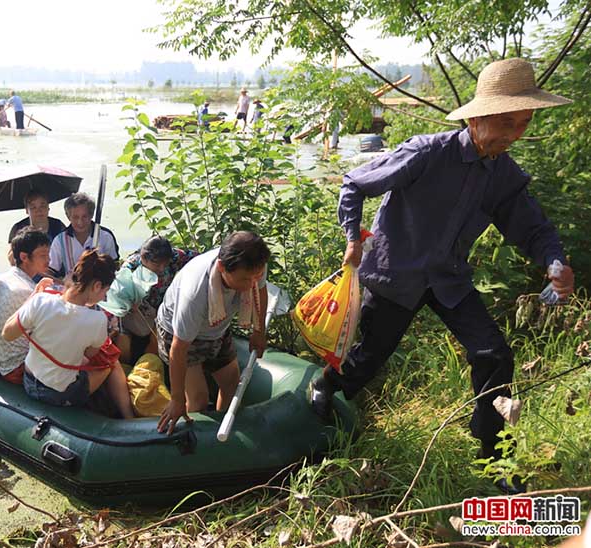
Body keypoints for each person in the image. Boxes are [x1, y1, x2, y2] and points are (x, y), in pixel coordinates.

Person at [310, 58, 575, 491]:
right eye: (507, 122)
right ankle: (328, 387)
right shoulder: (427, 152)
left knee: (494, 355)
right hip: (399, 271)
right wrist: (352, 238)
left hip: (449, 279)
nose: (515, 134)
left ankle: (494, 457)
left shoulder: (503, 174)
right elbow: (355, 183)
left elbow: (534, 228)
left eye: (523, 123)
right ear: (478, 118)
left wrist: (554, 264)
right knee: (372, 353)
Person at [156, 231, 270, 434]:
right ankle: (190, 444)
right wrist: (176, 399)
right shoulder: (196, 293)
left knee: (231, 386)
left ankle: (221, 442)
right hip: (178, 333)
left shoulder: (255, 264)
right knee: (198, 398)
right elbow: (178, 349)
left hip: (218, 326)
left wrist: (258, 329)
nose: (252, 283)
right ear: (222, 268)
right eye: (245, 279)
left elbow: (260, 291)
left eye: (257, 276)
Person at [2, 251, 134, 418]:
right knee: (111, 362)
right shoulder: (98, 320)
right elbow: (90, 355)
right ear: (97, 286)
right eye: (105, 291)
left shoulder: (40, 300)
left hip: (30, 383)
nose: (104, 297)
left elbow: (7, 334)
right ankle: (128, 416)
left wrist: (33, 298)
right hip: (61, 395)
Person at [112, 236, 197, 364]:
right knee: (124, 339)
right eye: (156, 264)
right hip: (138, 310)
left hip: (163, 306)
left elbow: (201, 260)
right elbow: (116, 291)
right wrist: (128, 302)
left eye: (165, 263)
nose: (162, 268)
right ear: (144, 259)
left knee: (157, 339)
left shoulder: (175, 256)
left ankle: (150, 365)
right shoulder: (130, 267)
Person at [0, 228, 52, 384]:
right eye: (43, 255)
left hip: (5, 361)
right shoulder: (26, 290)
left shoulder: (3, 279)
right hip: (18, 367)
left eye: (48, 254)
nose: (49, 259)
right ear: (24, 257)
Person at [48, 192, 119, 278]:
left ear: (91, 215)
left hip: (100, 286)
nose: (80, 222)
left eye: (84, 216)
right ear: (68, 216)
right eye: (75, 217)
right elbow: (51, 270)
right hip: (72, 287)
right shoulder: (60, 241)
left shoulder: (106, 236)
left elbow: (114, 266)